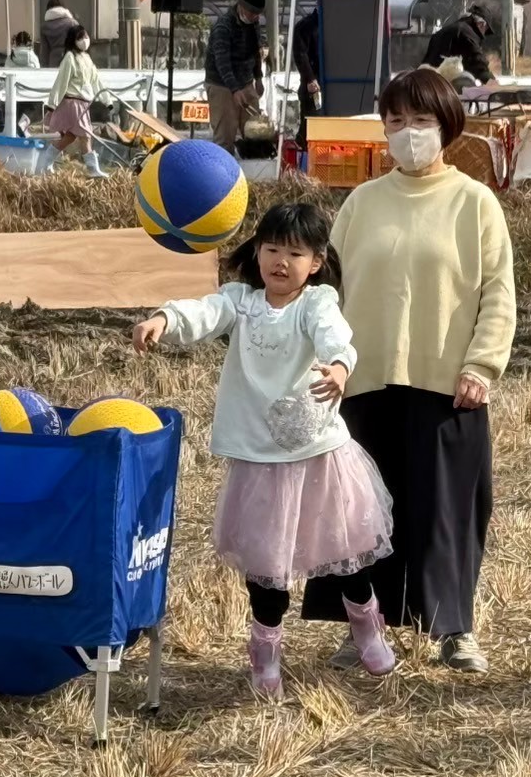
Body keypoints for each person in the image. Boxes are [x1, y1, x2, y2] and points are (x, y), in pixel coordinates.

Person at [131, 203, 398, 698]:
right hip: (260, 461)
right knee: (267, 565)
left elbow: (335, 334)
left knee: (346, 551)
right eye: (271, 248)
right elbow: (204, 312)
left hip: (318, 452)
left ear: (316, 262)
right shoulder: (242, 302)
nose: (280, 261)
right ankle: (266, 653)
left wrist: (339, 365)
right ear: (256, 252)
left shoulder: (315, 302)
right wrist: (165, 319)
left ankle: (365, 624)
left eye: (295, 253)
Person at [300, 69, 516, 673]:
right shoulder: (362, 202)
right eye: (395, 121)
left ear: (446, 126)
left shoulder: (475, 203)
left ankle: (454, 629)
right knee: (360, 513)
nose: (406, 133)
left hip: (448, 384)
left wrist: (482, 364)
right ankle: (361, 625)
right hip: (363, 382)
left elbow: (498, 294)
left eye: (420, 121)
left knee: (446, 509)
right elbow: (327, 291)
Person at [204, 0, 265, 153]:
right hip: (221, 85)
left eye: (257, 14)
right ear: (241, 6)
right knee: (225, 135)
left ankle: (254, 169)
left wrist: (258, 78)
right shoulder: (223, 26)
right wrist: (234, 89)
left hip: (245, 82)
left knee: (255, 130)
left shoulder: (254, 24)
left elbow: (256, 51)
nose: (254, 17)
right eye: (252, 13)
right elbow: (222, 62)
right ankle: (224, 174)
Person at [45, 25, 106, 176]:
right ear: (74, 40)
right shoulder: (69, 57)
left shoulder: (87, 58)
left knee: (71, 136)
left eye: (85, 37)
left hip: (84, 103)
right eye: (80, 38)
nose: (84, 41)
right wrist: (52, 104)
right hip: (73, 102)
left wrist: (107, 100)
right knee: (85, 135)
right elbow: (61, 81)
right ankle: (93, 169)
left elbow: (96, 80)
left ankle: (46, 161)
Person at [421, 5, 495, 85]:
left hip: (427, 81)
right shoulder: (468, 33)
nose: (484, 34)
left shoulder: (443, 31)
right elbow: (477, 63)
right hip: (447, 85)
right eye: (486, 30)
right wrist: (492, 83)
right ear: (481, 24)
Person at [291, 6, 322, 148]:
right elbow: (300, 54)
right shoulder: (305, 26)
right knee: (309, 123)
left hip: (327, 84)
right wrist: (310, 78)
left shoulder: (335, 25)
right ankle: (303, 153)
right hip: (312, 85)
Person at [40, 0, 77, 68]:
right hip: (70, 58)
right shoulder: (72, 23)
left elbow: (44, 51)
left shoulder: (44, 27)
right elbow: (79, 44)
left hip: (53, 60)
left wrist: (43, 67)